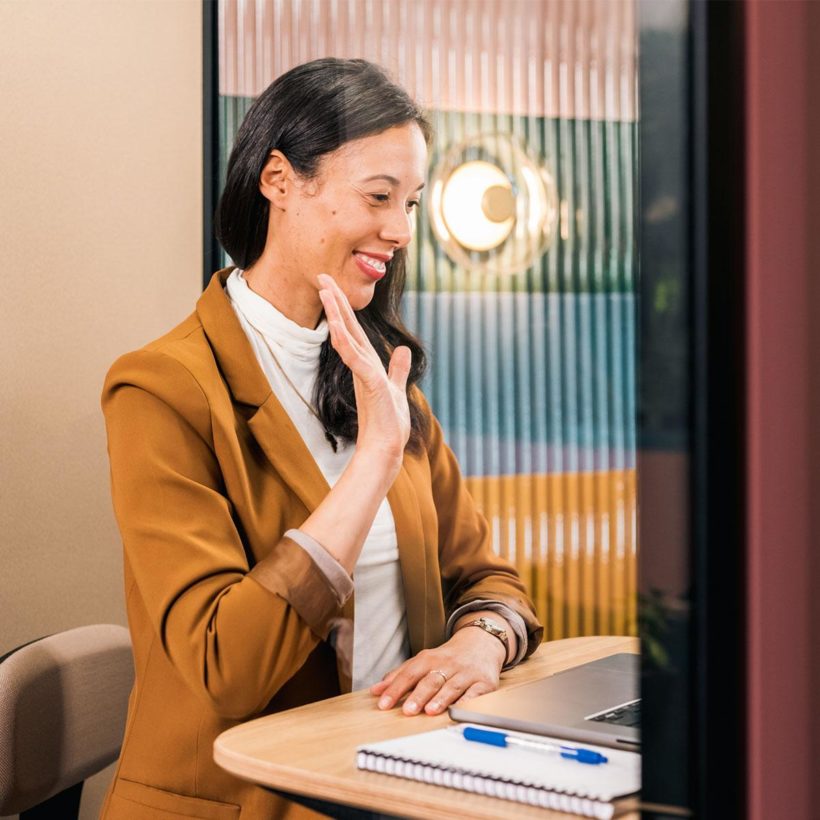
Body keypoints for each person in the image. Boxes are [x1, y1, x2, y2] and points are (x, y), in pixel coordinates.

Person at [100, 57, 543, 819]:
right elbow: (225, 667)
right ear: (279, 179)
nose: (401, 231)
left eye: (411, 202)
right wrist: (373, 459)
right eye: (378, 197)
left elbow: (490, 582)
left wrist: (482, 642)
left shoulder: (383, 380)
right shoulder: (161, 391)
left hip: (389, 784)